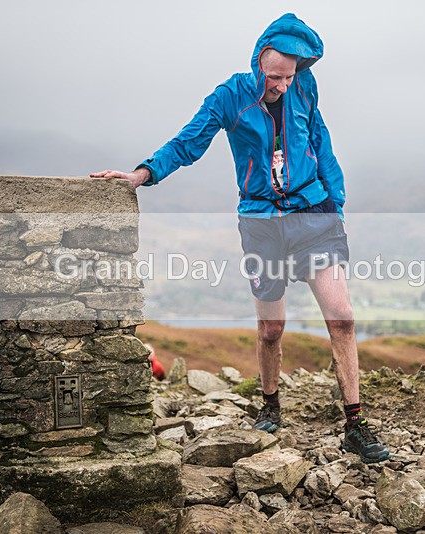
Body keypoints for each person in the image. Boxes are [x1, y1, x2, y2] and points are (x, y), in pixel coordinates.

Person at [91, 13, 389, 463]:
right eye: (274, 77)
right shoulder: (230, 96)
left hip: (313, 214)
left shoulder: (304, 87)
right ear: (258, 64)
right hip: (262, 223)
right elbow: (189, 141)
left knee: (342, 317)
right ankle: (270, 402)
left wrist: (337, 207)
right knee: (272, 329)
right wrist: (141, 174)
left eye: (289, 77)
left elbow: (322, 144)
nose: (282, 86)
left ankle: (355, 422)